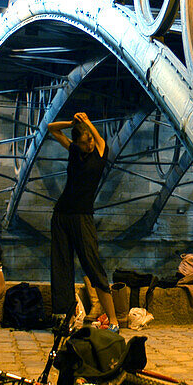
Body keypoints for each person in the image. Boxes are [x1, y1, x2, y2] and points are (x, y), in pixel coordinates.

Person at [47, 111, 118, 331]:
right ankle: (65, 320)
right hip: (61, 215)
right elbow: (51, 128)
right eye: (84, 143)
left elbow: (100, 140)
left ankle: (113, 321)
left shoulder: (100, 153)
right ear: (77, 142)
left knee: (92, 265)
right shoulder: (74, 151)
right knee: (61, 267)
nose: (88, 146)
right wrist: (72, 122)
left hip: (82, 216)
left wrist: (88, 122)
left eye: (89, 141)